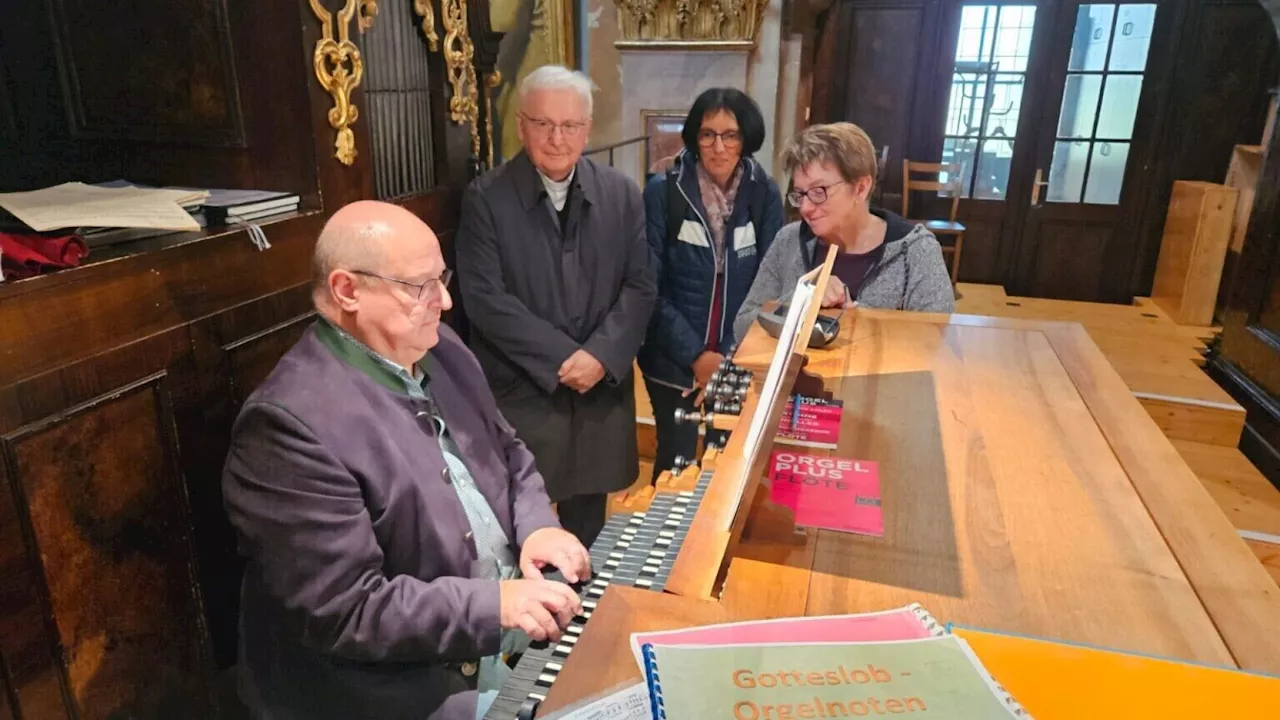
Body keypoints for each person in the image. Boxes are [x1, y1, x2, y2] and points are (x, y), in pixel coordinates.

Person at [222, 200, 592, 720]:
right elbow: (346, 611)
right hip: (389, 687)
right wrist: (497, 603)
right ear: (347, 290)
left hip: (499, 636)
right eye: (419, 287)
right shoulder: (287, 427)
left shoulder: (444, 350)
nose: (443, 300)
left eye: (443, 279)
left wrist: (536, 527)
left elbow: (508, 451)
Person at [456, 66, 656, 549]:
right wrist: (564, 360)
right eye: (543, 124)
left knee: (590, 524)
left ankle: (584, 617)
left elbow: (641, 285)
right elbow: (485, 300)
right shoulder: (486, 198)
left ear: (587, 129)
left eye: (570, 126)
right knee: (526, 525)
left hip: (599, 392)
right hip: (525, 390)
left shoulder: (622, 194)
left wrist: (601, 357)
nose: (556, 138)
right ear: (521, 125)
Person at [637, 87, 784, 482]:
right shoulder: (663, 191)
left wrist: (729, 359)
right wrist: (697, 357)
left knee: (727, 466)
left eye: (730, 135)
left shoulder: (764, 194)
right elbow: (647, 286)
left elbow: (771, 287)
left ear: (746, 138)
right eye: (707, 134)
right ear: (695, 137)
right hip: (671, 359)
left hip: (738, 357)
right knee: (674, 464)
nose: (718, 146)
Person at [732, 122, 955, 343]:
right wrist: (800, 300)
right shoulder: (788, 240)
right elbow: (742, 326)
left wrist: (856, 318)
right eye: (800, 194)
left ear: (861, 187)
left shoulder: (916, 252)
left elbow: (935, 342)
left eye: (819, 192)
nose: (805, 208)